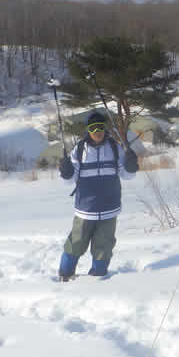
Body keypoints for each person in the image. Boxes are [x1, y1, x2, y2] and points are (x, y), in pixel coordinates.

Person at [57, 111, 139, 281]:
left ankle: (98, 278)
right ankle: (64, 275)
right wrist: (66, 171)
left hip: (109, 208)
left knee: (104, 246)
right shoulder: (79, 150)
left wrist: (131, 165)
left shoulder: (115, 148)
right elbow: (69, 180)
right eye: (93, 128)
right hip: (85, 210)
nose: (97, 131)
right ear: (87, 130)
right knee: (75, 244)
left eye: (100, 127)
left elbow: (126, 175)